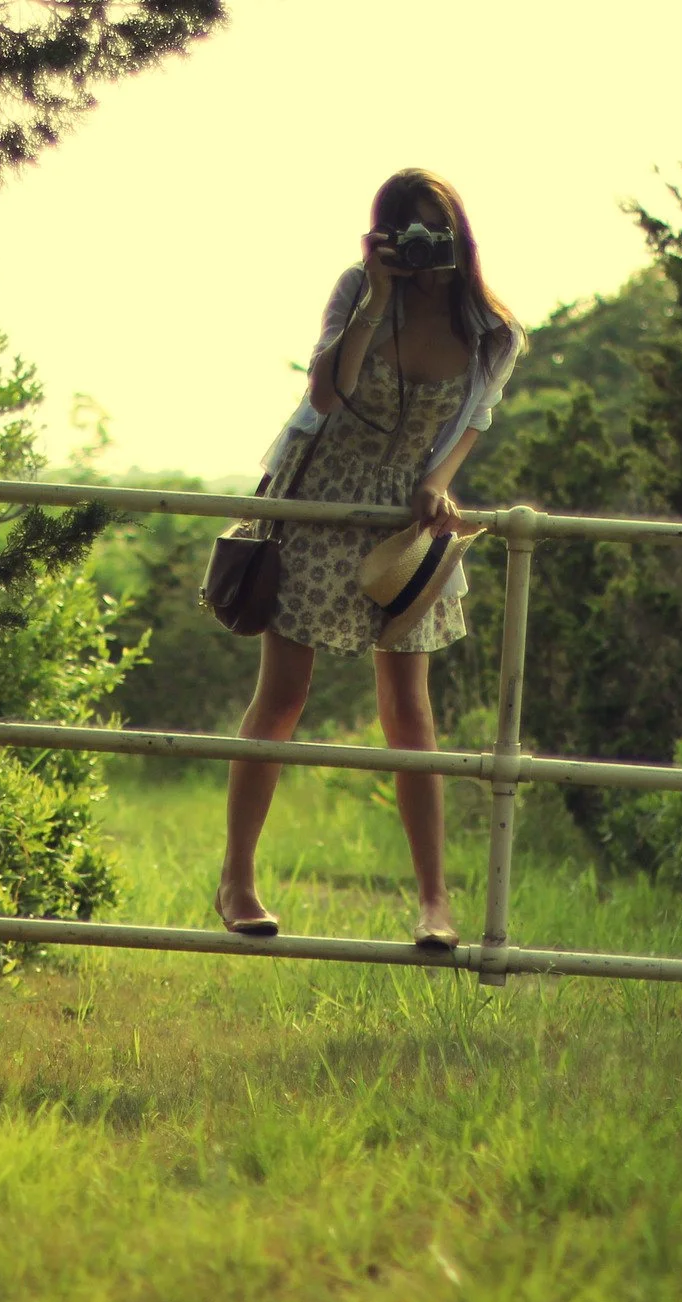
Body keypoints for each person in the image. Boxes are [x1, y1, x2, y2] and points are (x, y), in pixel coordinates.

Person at [214, 168, 525, 949]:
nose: (426, 249)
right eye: (410, 233)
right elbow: (324, 395)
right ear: (384, 239)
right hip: (321, 493)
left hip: (405, 517)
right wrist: (376, 302)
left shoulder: (490, 329)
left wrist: (438, 484)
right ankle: (236, 879)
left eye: (438, 232)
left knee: (410, 711)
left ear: (461, 236)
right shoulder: (358, 290)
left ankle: (435, 903)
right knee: (284, 692)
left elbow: (475, 419)